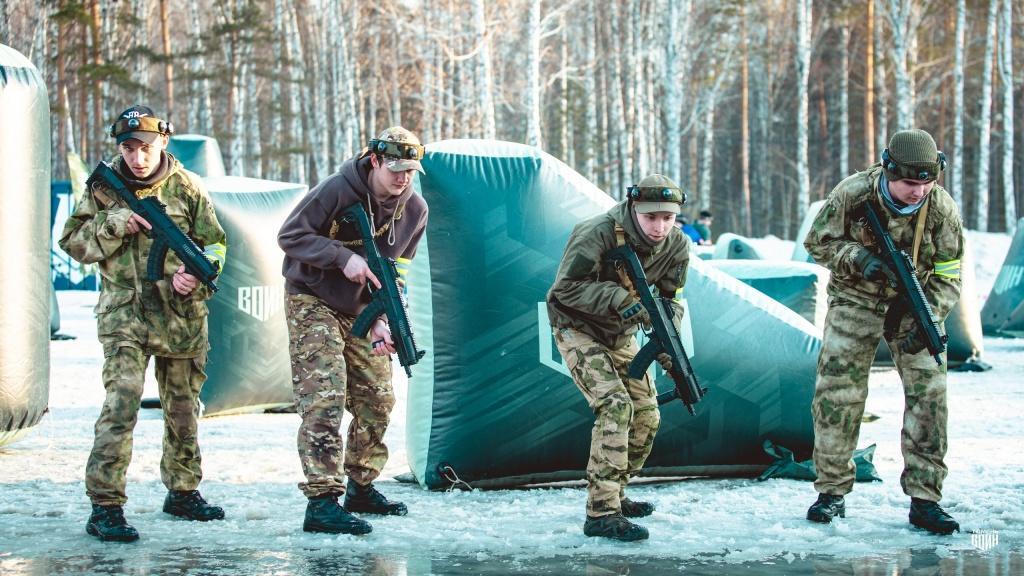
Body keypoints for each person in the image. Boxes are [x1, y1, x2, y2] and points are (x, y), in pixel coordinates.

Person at [60, 105, 229, 542]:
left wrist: (197, 274)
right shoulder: (103, 188)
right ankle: (106, 505)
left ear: (163, 143)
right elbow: (73, 243)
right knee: (121, 405)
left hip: (181, 314)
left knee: (183, 409)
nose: (137, 158)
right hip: (125, 314)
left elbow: (215, 244)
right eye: (129, 149)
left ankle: (183, 491)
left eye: (146, 149)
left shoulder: (188, 187)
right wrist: (115, 222)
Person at [803, 129, 964, 535]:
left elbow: (949, 272)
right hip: (855, 299)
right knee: (837, 393)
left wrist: (931, 317)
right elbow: (817, 243)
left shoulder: (941, 209)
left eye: (927, 182)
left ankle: (925, 500)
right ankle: (831, 491)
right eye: (909, 182)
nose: (918, 191)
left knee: (930, 397)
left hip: (916, 303)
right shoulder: (854, 194)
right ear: (889, 171)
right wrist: (857, 258)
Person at [278, 126, 429, 535]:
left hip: (360, 308)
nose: (403, 178)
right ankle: (322, 502)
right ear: (375, 160)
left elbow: (395, 273)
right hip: (311, 297)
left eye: (410, 171)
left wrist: (383, 319)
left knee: (378, 397)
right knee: (324, 397)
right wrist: (340, 257)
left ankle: (360, 487)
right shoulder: (337, 190)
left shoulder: (415, 210)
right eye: (395, 169)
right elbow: (290, 236)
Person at [547, 173, 690, 542]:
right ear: (633, 208)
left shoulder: (677, 245)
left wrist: (668, 339)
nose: (660, 227)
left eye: (668, 218)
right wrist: (620, 300)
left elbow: (671, 300)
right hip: (577, 326)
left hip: (621, 334)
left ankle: (614, 492)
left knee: (647, 414)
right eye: (651, 217)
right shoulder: (597, 232)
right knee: (615, 406)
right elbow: (565, 289)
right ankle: (601, 513)